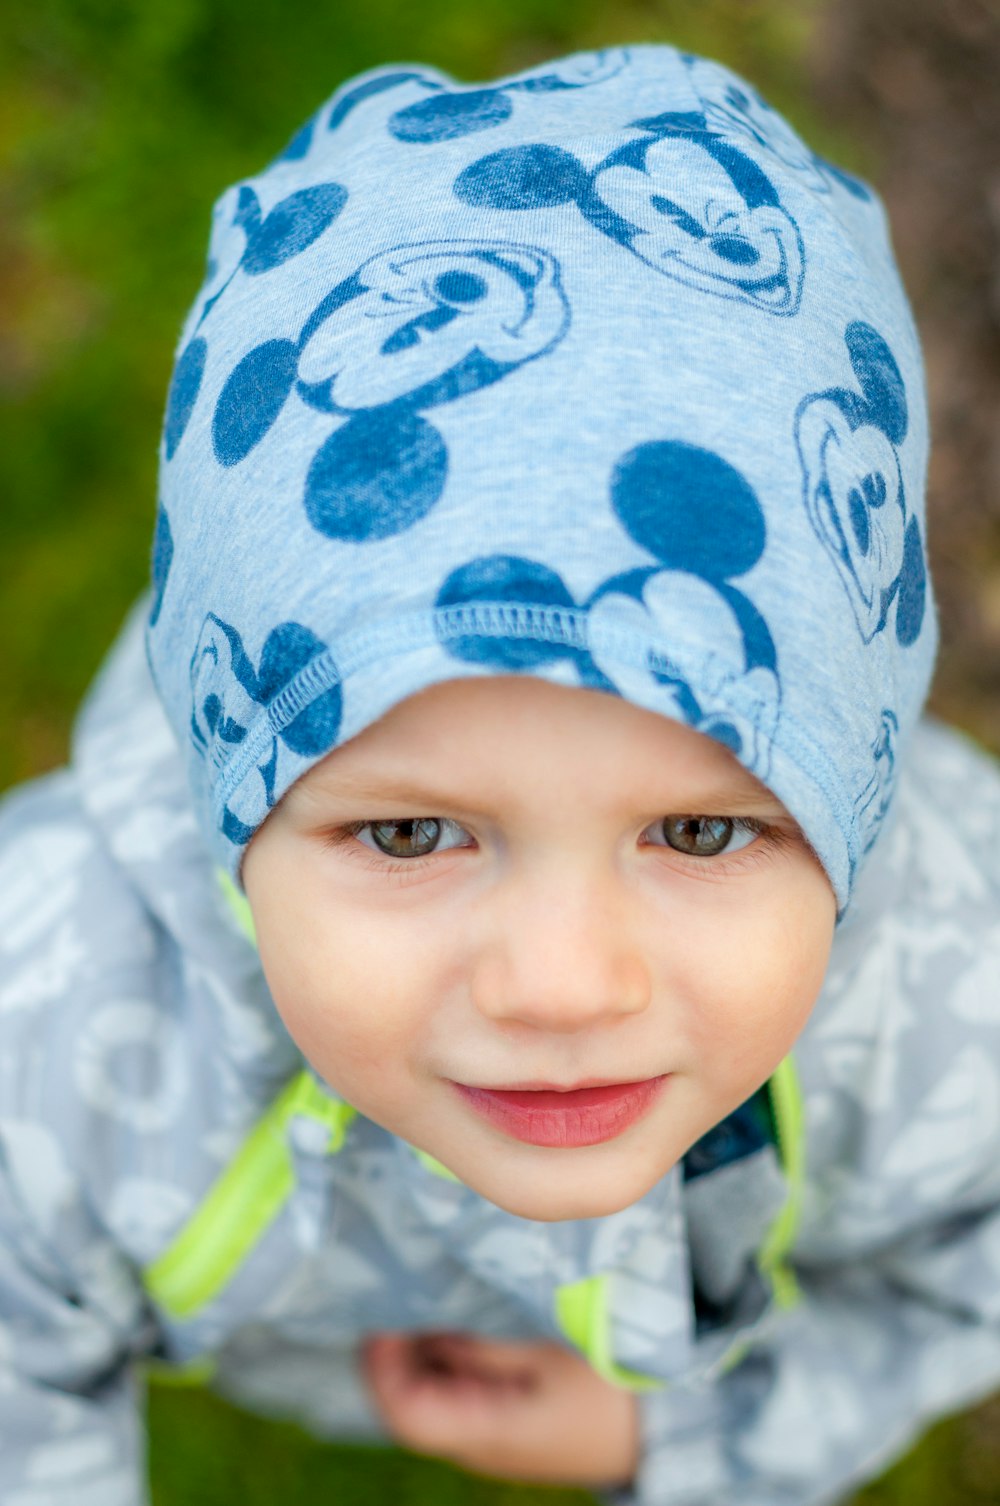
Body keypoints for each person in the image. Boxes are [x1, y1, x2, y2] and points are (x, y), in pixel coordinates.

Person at [2, 40, 1000, 1506]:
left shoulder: (953, 1005)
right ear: (235, 790)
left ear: (851, 792)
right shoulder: (53, 1016)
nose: (562, 985)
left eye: (702, 831)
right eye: (410, 830)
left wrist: (679, 1440)